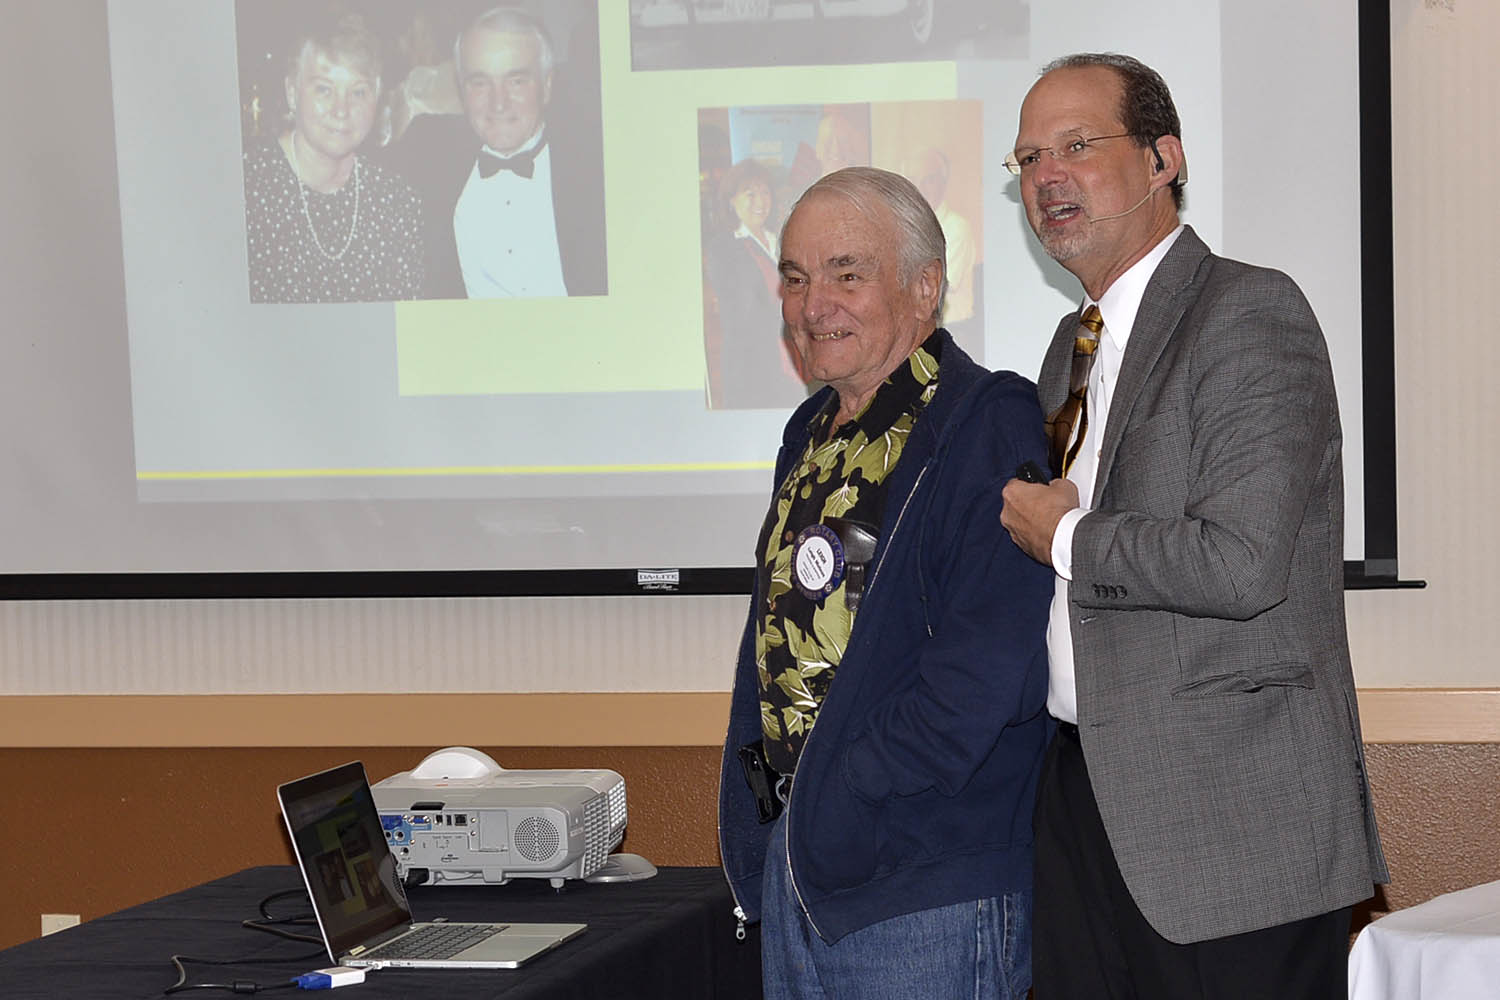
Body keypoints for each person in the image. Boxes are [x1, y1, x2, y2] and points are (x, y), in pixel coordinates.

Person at [998, 53, 1388, 998]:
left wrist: (1068, 537)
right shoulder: (1068, 347)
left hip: (1229, 822)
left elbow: (1243, 562)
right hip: (1079, 801)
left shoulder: (1248, 311)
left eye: (1076, 146)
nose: (1046, 177)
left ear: (1163, 158)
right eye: (1028, 159)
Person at [718, 166, 1053, 999]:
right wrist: (777, 815)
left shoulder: (983, 421)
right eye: (796, 277)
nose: (812, 305)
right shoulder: (807, 431)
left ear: (925, 286)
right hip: (803, 870)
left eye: (847, 274)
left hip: (923, 885)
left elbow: (989, 670)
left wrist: (847, 786)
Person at [384, 6, 607, 300]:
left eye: (516, 81)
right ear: (462, 90)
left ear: (547, 85)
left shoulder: (596, 165)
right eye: (480, 83)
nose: (498, 103)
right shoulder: (429, 151)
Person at [243, 11, 423, 304]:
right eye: (324, 89)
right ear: (291, 92)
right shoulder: (246, 190)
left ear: (377, 98)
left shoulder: (397, 201)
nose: (341, 110)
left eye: (358, 92)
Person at [702, 158, 809, 409]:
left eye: (764, 192)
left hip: (793, 361)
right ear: (731, 201)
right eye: (750, 194)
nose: (760, 201)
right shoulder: (723, 248)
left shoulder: (782, 241)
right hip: (751, 366)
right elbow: (740, 311)